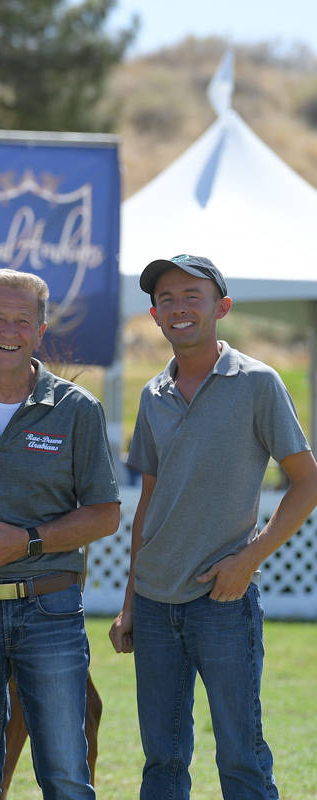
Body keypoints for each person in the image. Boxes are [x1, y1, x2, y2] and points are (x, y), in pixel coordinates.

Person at [109, 254, 317, 800]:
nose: (178, 309)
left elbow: (306, 482)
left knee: (242, 757)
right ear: (153, 315)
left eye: (191, 296)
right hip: (153, 606)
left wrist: (248, 559)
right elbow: (149, 503)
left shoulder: (258, 383)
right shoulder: (152, 394)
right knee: (162, 762)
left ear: (221, 307)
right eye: (166, 300)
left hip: (222, 602)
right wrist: (131, 602)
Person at [0, 268, 120, 800]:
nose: (8, 331)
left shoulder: (77, 409)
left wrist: (29, 540)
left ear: (40, 330)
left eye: (22, 320)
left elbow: (105, 514)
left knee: (65, 775)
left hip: (51, 611)